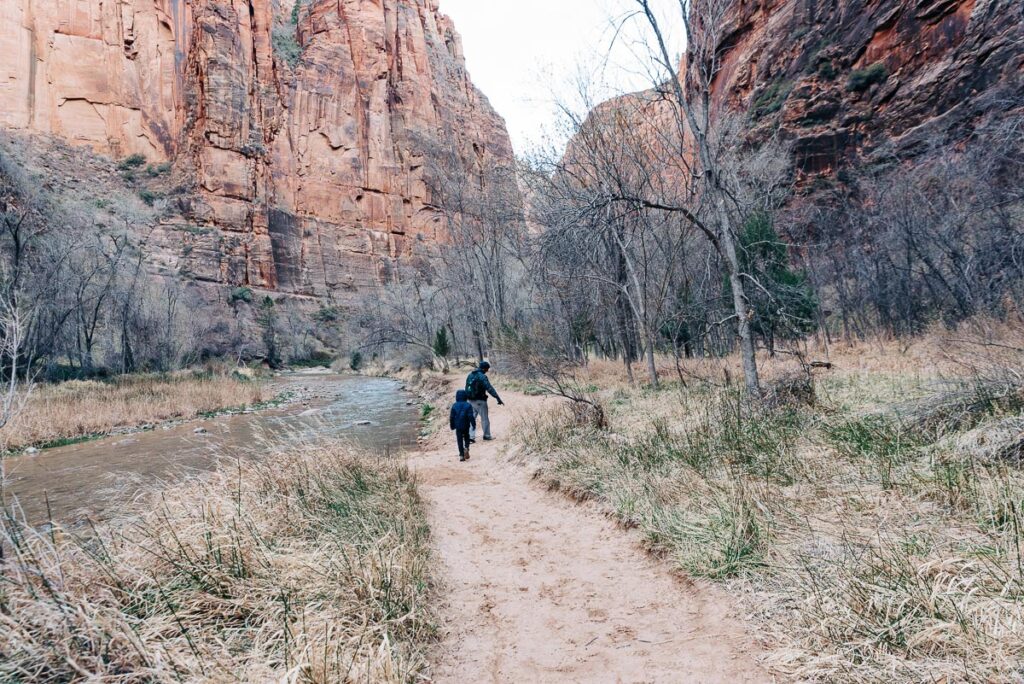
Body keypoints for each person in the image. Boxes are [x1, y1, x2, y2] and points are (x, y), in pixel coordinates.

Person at [465, 360, 504, 441]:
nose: (487, 371)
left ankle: (470, 436)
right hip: (480, 400)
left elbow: (467, 387)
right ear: (484, 369)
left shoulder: (470, 375)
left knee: (472, 418)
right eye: (487, 369)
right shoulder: (482, 376)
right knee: (484, 418)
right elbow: (489, 388)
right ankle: (486, 435)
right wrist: (497, 398)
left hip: (470, 400)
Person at [449, 389, 476, 462]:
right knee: (467, 436)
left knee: (459, 440)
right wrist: (473, 424)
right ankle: (466, 447)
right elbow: (471, 416)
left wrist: (452, 425)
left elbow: (451, 417)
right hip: (466, 425)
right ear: (465, 396)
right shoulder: (468, 405)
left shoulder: (454, 405)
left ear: (457, 396)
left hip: (458, 426)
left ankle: (461, 455)